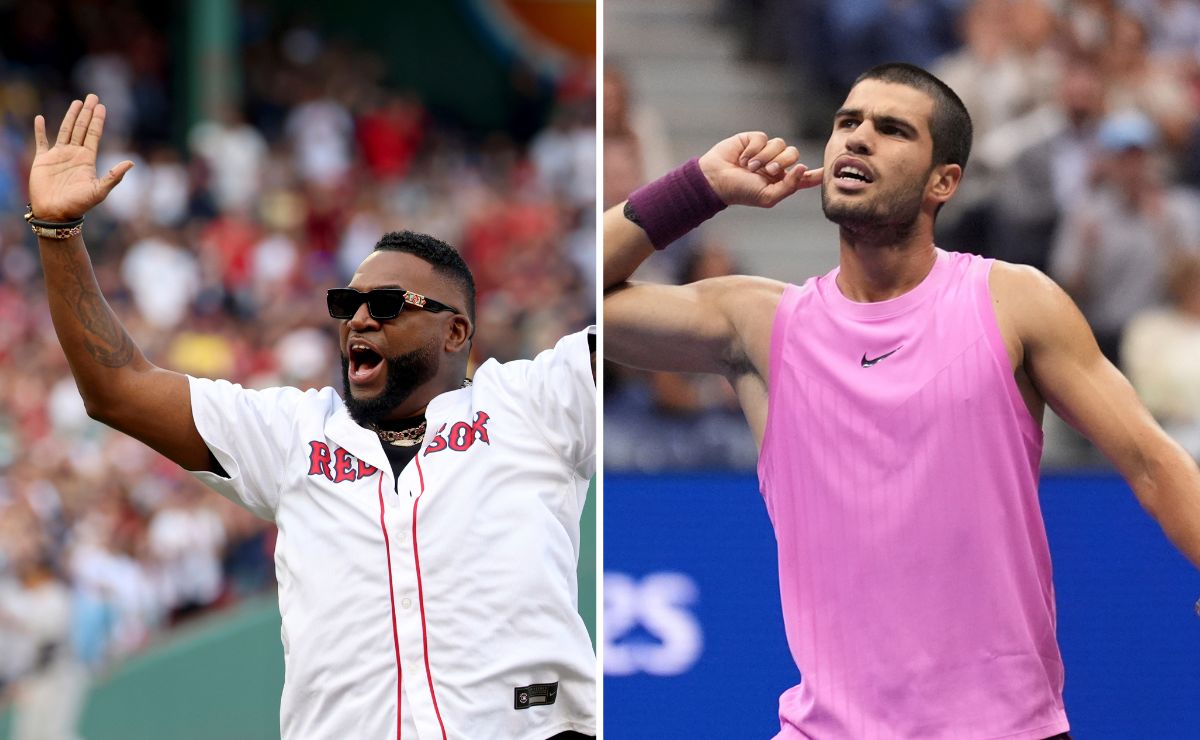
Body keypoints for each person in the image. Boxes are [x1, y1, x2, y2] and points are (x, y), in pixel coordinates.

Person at [603, 62, 1200, 739]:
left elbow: (1149, 458)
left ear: (944, 182)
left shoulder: (1013, 302)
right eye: (847, 122)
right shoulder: (760, 323)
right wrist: (700, 187)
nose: (858, 138)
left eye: (892, 129)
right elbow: (592, 295)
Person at [29, 94, 596, 740]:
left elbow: (643, 325)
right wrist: (58, 233)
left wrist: (677, 199)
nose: (359, 318)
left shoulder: (529, 403)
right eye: (347, 304)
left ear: (456, 330)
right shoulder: (296, 433)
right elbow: (118, 388)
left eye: (387, 304)